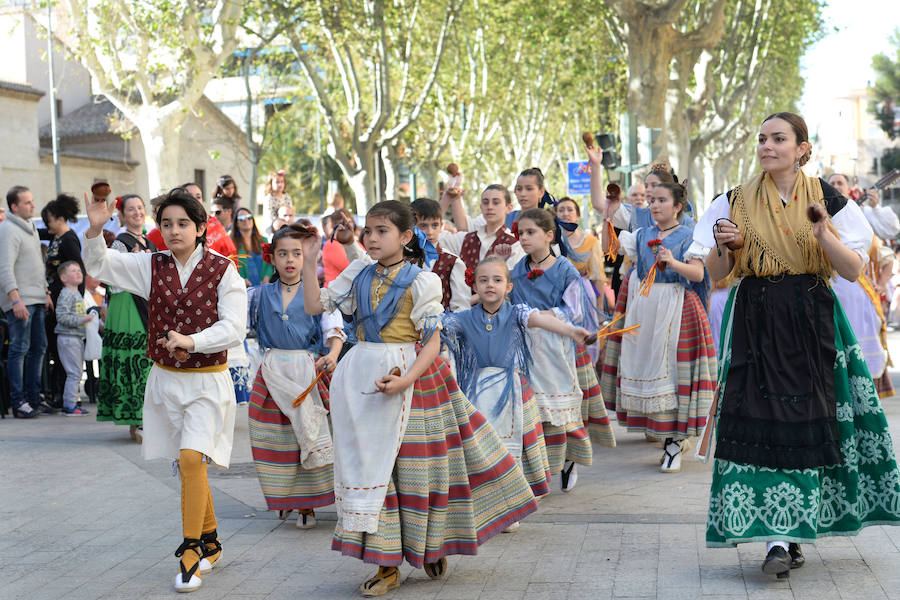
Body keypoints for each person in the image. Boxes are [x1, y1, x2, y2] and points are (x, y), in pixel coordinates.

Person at [694, 112, 900, 577]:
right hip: (756, 318)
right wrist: (726, 245)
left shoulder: (831, 201)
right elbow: (716, 273)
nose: (767, 146)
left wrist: (823, 233)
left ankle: (790, 534)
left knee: (809, 421)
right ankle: (777, 539)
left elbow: (850, 269)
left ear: (802, 149)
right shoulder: (732, 201)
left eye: (779, 139)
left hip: (811, 318)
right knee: (758, 422)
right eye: (762, 138)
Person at [299, 200, 537, 597]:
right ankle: (387, 563)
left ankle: (429, 546)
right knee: (370, 473)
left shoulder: (422, 280)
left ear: (406, 236)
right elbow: (313, 305)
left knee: (412, 471)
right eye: (368, 231)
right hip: (361, 376)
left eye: (382, 231)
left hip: (412, 378)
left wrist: (406, 379)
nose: (372, 238)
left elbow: (432, 340)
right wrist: (309, 261)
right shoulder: (358, 271)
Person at [83, 188, 248, 592]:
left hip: (209, 379)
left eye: (183, 224)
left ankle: (191, 551)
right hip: (165, 380)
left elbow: (234, 327)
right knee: (189, 463)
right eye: (168, 223)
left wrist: (192, 341)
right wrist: (93, 230)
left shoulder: (224, 269)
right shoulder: (149, 265)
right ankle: (211, 540)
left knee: (192, 459)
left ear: (200, 227)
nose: (174, 231)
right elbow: (102, 265)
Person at [442, 257, 594, 508]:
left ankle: (513, 499)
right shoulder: (464, 318)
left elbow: (541, 320)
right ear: (475, 287)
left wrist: (572, 331)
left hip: (512, 389)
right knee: (482, 445)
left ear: (508, 287)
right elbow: (438, 328)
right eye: (483, 280)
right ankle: (487, 499)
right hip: (476, 391)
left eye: (497, 280)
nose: (490, 284)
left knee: (516, 446)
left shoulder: (517, 313)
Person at [604, 183, 716, 472]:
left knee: (676, 375)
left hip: (677, 306)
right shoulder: (641, 234)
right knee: (649, 370)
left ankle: (675, 443)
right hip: (645, 307)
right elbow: (618, 258)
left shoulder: (690, 235)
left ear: (678, 206)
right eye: (652, 200)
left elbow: (698, 273)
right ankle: (665, 435)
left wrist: (673, 262)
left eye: (662, 200)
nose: (654, 205)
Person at [247, 224, 344, 529]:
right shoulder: (258, 295)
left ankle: (307, 504)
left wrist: (332, 354)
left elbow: (333, 329)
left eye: (296, 253)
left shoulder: (316, 293)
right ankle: (286, 496)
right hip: (273, 371)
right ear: (272, 258)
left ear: (306, 257)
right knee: (279, 439)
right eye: (283, 254)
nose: (290, 260)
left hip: (308, 370)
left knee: (311, 433)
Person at [509, 208, 613, 493]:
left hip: (557, 345)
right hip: (527, 349)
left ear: (549, 235)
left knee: (560, 408)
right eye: (521, 233)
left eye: (531, 232)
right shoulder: (516, 270)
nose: (524, 238)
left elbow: (575, 310)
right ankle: (537, 472)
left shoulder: (565, 268)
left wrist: (544, 316)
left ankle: (568, 458)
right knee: (533, 410)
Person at [827, 174, 895, 398]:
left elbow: (887, 254)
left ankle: (865, 397)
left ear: (849, 189)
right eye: (832, 184)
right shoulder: (820, 217)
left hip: (859, 294)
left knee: (861, 344)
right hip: (828, 292)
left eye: (840, 183)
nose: (835, 187)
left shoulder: (860, 218)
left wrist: (882, 284)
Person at [98, 194, 157, 441]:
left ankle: (148, 418)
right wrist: (134, 261)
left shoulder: (150, 242)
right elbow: (113, 277)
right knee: (134, 360)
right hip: (127, 304)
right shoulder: (119, 243)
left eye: (140, 208)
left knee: (149, 364)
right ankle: (137, 419)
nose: (136, 213)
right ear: (122, 215)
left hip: (147, 304)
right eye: (131, 209)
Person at [0, 186, 51, 418]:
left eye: (32, 201)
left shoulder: (30, 227)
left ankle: (33, 398)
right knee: (19, 349)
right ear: (14, 206)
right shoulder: (8, 229)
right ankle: (19, 402)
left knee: (38, 349)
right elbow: (4, 268)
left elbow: (36, 265)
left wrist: (46, 292)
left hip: (37, 297)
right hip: (21, 300)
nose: (32, 205)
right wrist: (15, 299)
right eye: (27, 202)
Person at [42, 193, 86, 413]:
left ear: (60, 218)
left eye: (49, 219)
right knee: (54, 349)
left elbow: (79, 271)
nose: (47, 224)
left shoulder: (69, 240)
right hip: (53, 301)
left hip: (64, 304)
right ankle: (58, 393)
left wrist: (77, 300)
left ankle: (64, 396)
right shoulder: (55, 239)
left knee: (63, 354)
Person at [439, 184, 525, 273]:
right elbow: (430, 238)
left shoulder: (515, 244)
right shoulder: (465, 239)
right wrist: (446, 199)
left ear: (509, 208)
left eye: (496, 203)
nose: (490, 207)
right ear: (481, 207)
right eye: (485, 202)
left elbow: (511, 280)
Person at [147, 183, 238, 260]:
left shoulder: (213, 222)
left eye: (198, 196)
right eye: (167, 225)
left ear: (200, 228)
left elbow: (229, 250)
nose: (174, 231)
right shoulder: (155, 240)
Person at [410, 198, 470, 312]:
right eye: (423, 226)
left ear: (441, 226)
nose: (430, 232)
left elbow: (461, 308)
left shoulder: (452, 262)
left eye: (434, 225)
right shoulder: (402, 260)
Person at [54, 261, 93, 416]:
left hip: (75, 337)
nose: (79, 273)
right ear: (63, 277)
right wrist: (82, 320)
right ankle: (70, 405)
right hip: (68, 337)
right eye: (73, 271)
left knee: (75, 372)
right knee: (74, 372)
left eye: (79, 270)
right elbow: (61, 316)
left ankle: (71, 403)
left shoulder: (76, 294)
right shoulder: (66, 294)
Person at [230, 208, 273, 287]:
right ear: (236, 223)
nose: (246, 220)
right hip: (243, 289)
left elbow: (270, 262)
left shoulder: (264, 240)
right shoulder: (231, 243)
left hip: (264, 287)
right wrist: (240, 279)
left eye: (249, 217)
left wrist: (267, 277)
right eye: (241, 218)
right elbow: (229, 267)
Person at [321, 209, 361, 286]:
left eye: (349, 222)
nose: (347, 227)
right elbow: (353, 269)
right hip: (338, 295)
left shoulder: (355, 242)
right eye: (343, 223)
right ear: (335, 227)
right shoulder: (331, 244)